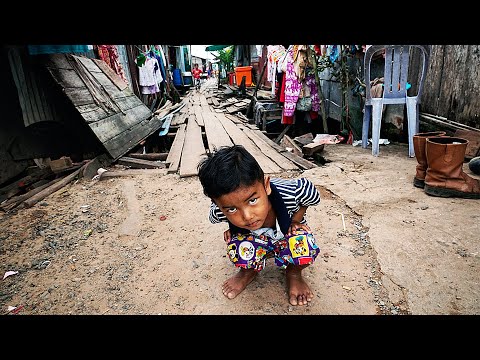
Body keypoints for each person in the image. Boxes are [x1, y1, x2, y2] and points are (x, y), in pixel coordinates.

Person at [197, 144, 321, 306]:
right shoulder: (219, 211)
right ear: (218, 205)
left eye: (252, 200)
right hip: (256, 240)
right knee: (236, 244)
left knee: (303, 242)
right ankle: (248, 271)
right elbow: (225, 214)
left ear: (266, 185)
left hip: (285, 236)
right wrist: (231, 227)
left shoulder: (291, 192)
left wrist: (295, 220)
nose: (247, 217)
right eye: (232, 209)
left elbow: (311, 193)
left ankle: (294, 274)